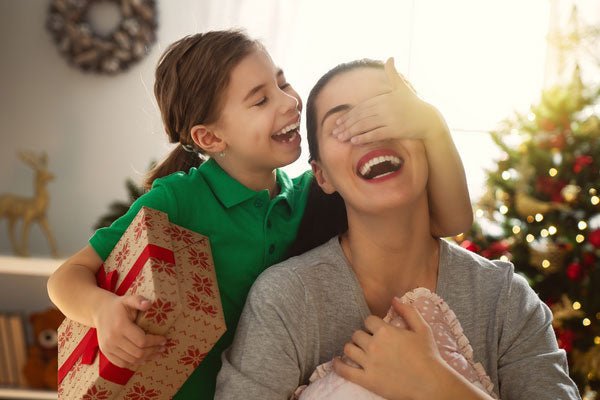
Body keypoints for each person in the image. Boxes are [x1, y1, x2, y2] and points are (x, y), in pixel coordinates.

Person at [47, 30, 472, 399]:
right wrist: (103, 310)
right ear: (210, 137)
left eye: (283, 84)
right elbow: (66, 278)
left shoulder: (310, 193)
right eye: (261, 100)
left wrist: (430, 125)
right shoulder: (177, 200)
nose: (289, 104)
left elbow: (450, 221)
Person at [215, 59, 581, 399]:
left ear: (427, 143)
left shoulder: (505, 301)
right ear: (322, 175)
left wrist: (438, 387)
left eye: (391, 114)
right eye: (342, 124)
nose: (370, 133)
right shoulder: (285, 300)